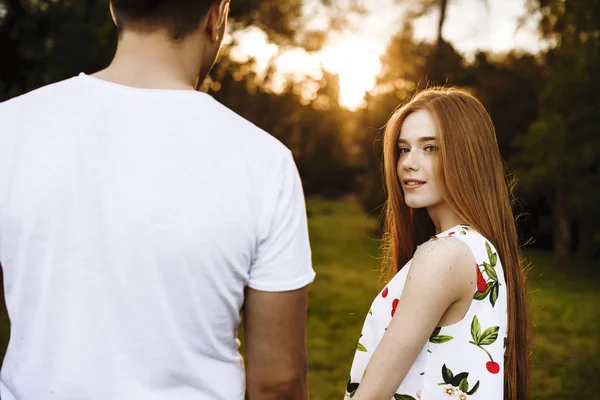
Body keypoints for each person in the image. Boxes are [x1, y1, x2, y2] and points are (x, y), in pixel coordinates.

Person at [0, 1, 315, 399]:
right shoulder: (266, 162)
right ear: (216, 17)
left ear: (117, 10)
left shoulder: (9, 128)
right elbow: (278, 383)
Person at [344, 87, 529, 400]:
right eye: (403, 149)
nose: (407, 163)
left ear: (466, 156)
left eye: (430, 148)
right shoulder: (480, 249)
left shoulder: (444, 255)